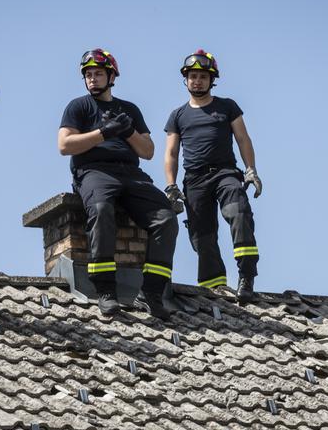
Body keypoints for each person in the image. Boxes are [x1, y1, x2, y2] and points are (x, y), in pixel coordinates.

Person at [58, 48, 178, 320]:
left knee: (166, 218)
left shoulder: (130, 109)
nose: (92, 79)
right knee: (101, 210)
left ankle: (151, 292)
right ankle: (106, 291)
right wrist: (103, 134)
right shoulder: (78, 107)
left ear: (112, 76)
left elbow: (147, 151)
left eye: (98, 73)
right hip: (93, 172)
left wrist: (127, 131)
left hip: (131, 174)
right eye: (88, 75)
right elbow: (64, 145)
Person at [163, 49, 262, 303]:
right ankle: (214, 289)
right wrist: (171, 185)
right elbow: (171, 153)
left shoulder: (227, 107)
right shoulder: (177, 115)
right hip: (194, 180)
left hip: (225, 173)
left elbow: (243, 138)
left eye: (203, 77)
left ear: (212, 80)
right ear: (185, 80)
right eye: (193, 76)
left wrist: (250, 169)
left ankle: (246, 275)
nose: (197, 81)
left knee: (238, 212)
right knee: (202, 236)